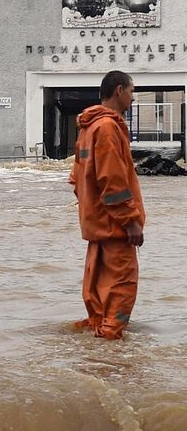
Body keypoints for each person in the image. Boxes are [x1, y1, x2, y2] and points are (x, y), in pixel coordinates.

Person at [69, 70, 145, 340]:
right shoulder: (108, 127)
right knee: (122, 286)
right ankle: (112, 347)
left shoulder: (87, 128)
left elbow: (76, 178)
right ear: (119, 91)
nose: (133, 98)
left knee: (98, 288)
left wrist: (94, 210)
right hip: (116, 227)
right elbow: (112, 180)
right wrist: (130, 221)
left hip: (97, 225)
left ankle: (97, 339)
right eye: (132, 91)